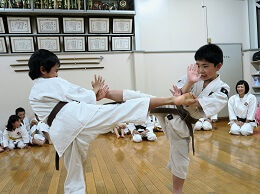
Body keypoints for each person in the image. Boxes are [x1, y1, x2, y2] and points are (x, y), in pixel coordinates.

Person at [27, 49, 197, 194]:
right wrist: (93, 91)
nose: (57, 74)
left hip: (62, 132)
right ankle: (171, 100)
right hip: (75, 118)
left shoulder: (34, 92)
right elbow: (81, 95)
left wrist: (94, 96)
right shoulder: (53, 82)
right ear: (43, 69)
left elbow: (72, 101)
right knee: (121, 110)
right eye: (55, 70)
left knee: (74, 170)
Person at [151, 44, 230, 194]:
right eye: (198, 65)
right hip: (168, 110)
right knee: (137, 99)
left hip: (183, 126)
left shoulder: (222, 88)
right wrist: (189, 83)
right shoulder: (193, 77)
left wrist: (184, 98)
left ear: (218, 66)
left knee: (180, 160)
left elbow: (196, 104)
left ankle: (177, 192)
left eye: (205, 66)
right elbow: (179, 95)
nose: (201, 70)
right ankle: (106, 96)